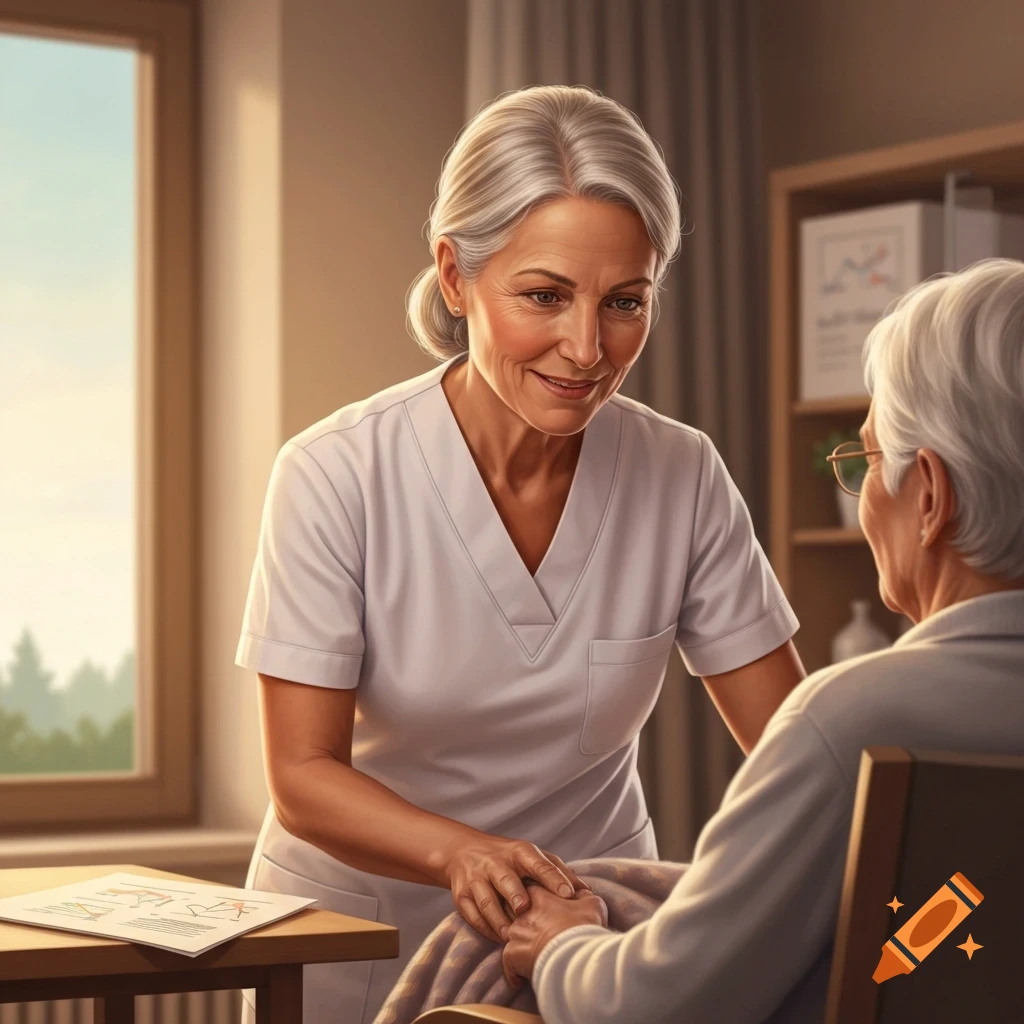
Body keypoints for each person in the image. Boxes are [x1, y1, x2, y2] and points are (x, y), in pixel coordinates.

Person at [236, 84, 805, 1024]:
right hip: (358, 938)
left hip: (583, 940)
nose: (588, 348)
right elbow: (303, 776)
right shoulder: (335, 473)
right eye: (544, 296)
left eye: (626, 302)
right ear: (456, 278)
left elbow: (792, 747)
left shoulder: (681, 473)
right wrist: (464, 852)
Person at [500, 257, 1024, 1023]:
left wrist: (564, 944)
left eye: (870, 461)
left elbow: (654, 1009)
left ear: (932, 497)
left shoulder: (852, 723)